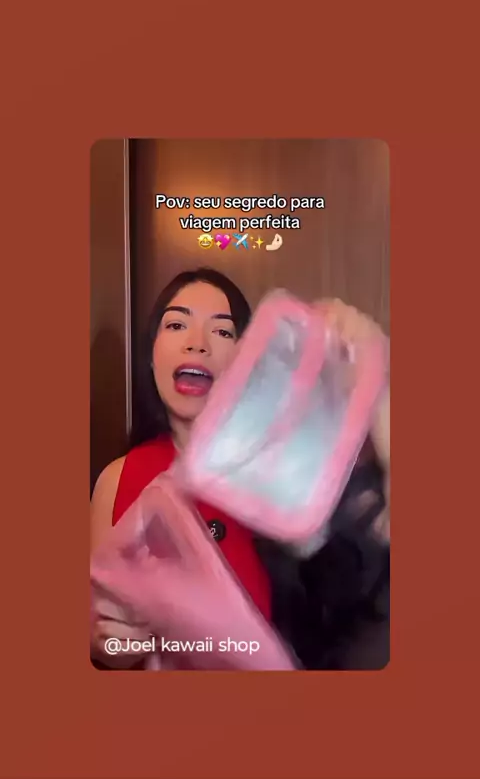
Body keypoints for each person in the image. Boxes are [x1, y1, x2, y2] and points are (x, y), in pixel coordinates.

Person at [90, 267, 390, 669]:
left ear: (252, 356)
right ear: (150, 356)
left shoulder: (295, 482)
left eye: (222, 331)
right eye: (176, 325)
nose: (197, 344)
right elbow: (101, 645)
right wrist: (115, 643)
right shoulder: (118, 478)